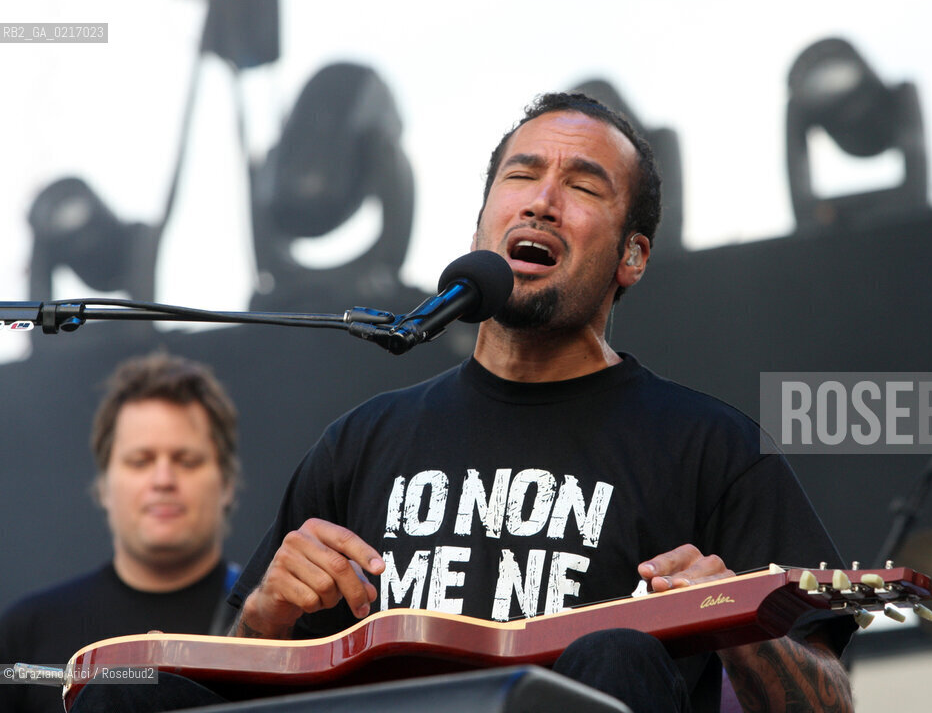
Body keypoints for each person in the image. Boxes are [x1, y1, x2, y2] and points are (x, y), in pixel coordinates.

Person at [74, 93, 855, 713]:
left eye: (583, 185)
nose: (542, 201)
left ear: (634, 256)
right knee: (124, 690)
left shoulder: (713, 448)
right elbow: (229, 674)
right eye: (520, 176)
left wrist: (736, 620)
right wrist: (264, 618)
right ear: (483, 221)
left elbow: (828, 704)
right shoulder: (362, 443)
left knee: (616, 653)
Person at [0, 352, 242, 713]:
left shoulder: (275, 626)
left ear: (227, 484)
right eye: (140, 461)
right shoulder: (24, 635)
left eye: (187, 461)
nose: (163, 480)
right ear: (102, 487)